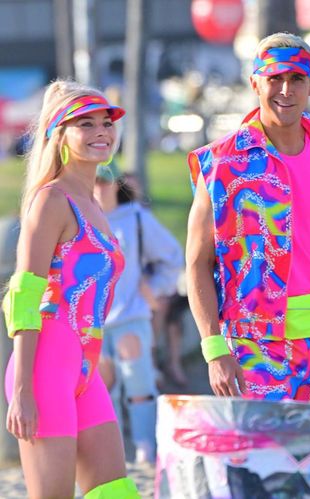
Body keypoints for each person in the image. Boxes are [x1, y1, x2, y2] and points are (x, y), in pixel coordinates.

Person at [186, 32, 310, 407]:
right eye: (275, 78)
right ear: (255, 82)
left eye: (297, 79)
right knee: (265, 465)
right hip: (251, 354)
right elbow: (196, 262)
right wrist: (213, 349)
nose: (285, 90)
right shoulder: (223, 164)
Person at [3, 80, 140, 498]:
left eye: (106, 122)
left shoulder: (94, 203)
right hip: (43, 366)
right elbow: (25, 293)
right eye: (86, 124)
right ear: (59, 135)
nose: (101, 131)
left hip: (84, 367)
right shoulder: (51, 200)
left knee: (115, 491)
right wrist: (23, 387)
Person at [94, 163, 183, 463]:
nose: (99, 186)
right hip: (92, 321)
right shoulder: (81, 216)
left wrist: (154, 288)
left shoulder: (136, 218)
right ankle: (113, 449)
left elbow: (172, 257)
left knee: (139, 383)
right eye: (93, 179)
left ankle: (146, 446)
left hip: (130, 314)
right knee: (103, 390)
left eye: (105, 180)